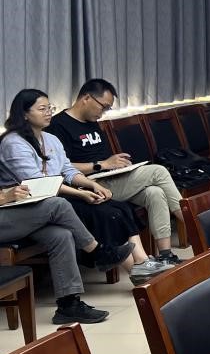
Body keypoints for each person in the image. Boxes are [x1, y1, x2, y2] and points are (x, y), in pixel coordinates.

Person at [1, 89, 169, 285]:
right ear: (24, 114)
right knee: (102, 213)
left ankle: (143, 262)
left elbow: (68, 171)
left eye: (50, 108)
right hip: (34, 203)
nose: (48, 113)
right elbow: (39, 182)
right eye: (42, 109)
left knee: (118, 206)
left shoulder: (50, 139)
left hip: (57, 195)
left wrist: (91, 185)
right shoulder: (13, 143)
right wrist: (80, 194)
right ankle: (136, 270)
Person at [49, 78, 184, 268]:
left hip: (110, 178)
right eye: (103, 106)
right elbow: (62, 167)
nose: (103, 112)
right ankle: (194, 223)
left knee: (155, 193)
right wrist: (101, 165)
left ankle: (165, 255)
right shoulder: (58, 126)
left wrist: (116, 164)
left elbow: (103, 158)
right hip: (90, 184)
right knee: (159, 171)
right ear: (86, 98)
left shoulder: (91, 121)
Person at [0, 154, 132, 324]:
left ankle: (68, 305)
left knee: (61, 235)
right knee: (58, 205)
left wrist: (11, 193)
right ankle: (98, 252)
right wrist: (5, 197)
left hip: (8, 211)